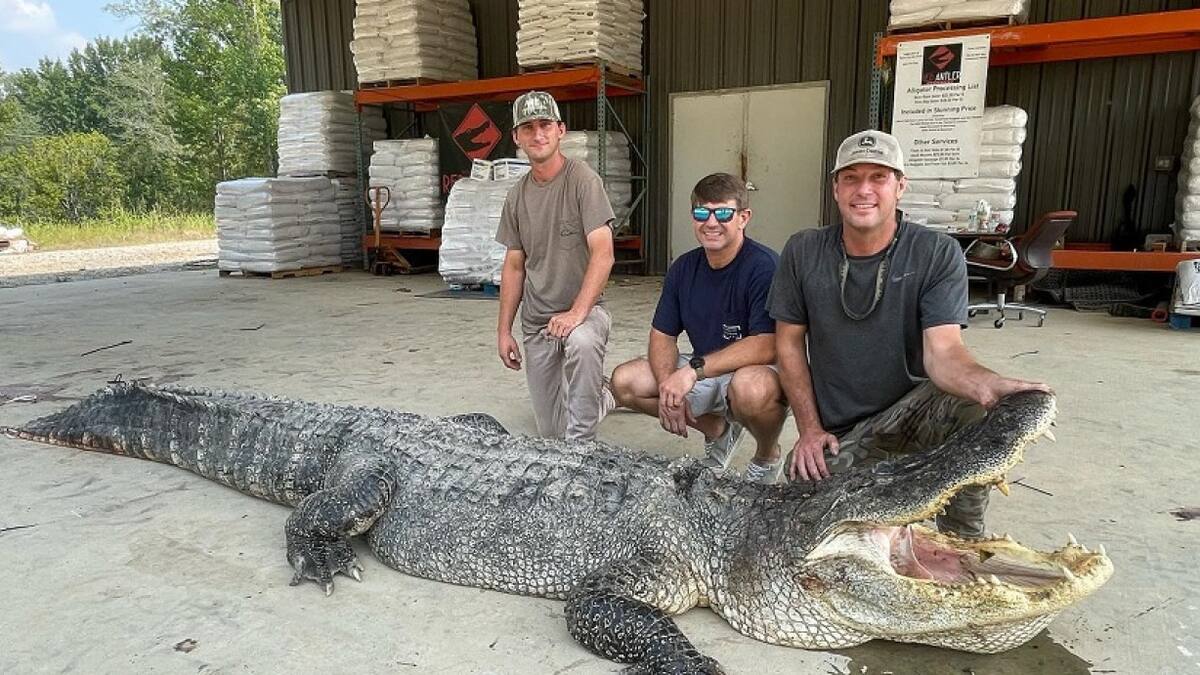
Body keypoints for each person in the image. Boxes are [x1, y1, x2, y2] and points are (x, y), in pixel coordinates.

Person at [767, 130, 1049, 537]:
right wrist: (809, 429)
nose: (864, 190)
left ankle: (961, 542)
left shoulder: (935, 253)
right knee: (802, 508)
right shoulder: (804, 250)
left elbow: (945, 352)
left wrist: (986, 384)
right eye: (851, 177)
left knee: (971, 410)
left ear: (900, 186)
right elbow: (789, 344)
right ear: (835, 188)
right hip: (848, 431)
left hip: (915, 412)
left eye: (878, 177)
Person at [609, 173, 787, 484]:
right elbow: (662, 335)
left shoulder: (765, 267)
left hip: (754, 370)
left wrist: (692, 371)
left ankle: (767, 454)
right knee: (625, 382)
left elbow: (767, 344)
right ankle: (716, 429)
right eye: (702, 213)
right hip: (704, 368)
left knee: (751, 390)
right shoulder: (683, 268)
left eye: (724, 213)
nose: (712, 222)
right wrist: (668, 387)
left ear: (744, 218)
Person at [495, 90, 616, 442]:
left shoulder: (583, 182)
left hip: (585, 312)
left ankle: (583, 451)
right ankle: (603, 396)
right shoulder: (517, 196)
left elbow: (603, 253)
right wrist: (504, 331)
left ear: (560, 130)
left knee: (580, 342)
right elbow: (514, 266)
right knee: (550, 433)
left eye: (545, 124)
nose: (538, 134)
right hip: (538, 322)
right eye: (527, 127)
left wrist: (577, 313)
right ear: (516, 137)